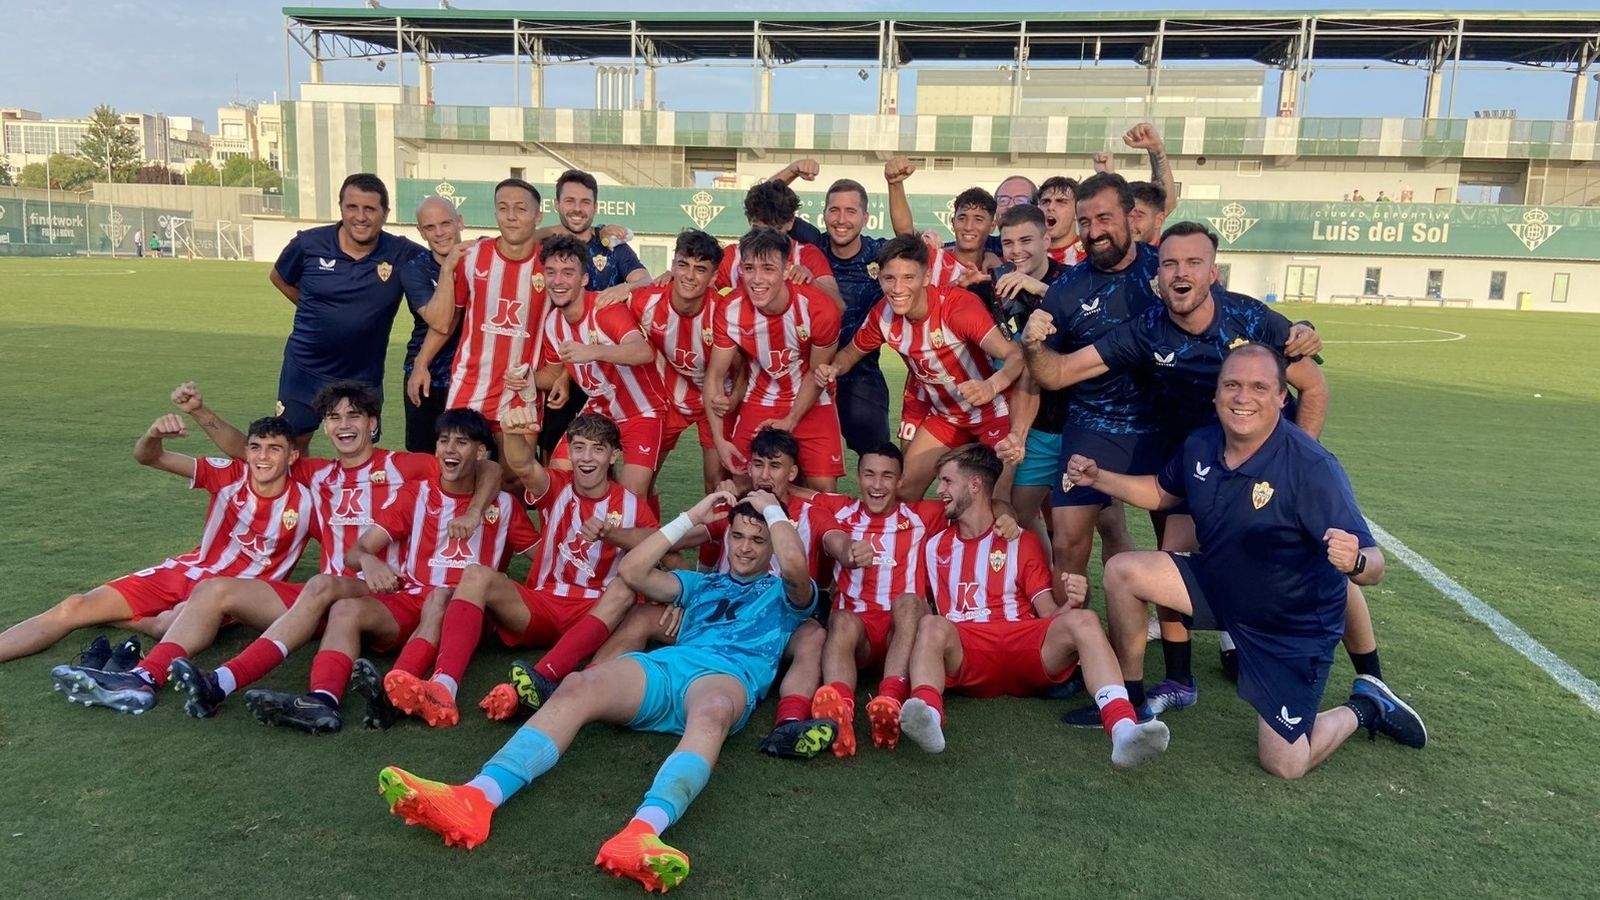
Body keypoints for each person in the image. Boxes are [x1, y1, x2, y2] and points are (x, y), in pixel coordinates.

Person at [374, 487, 816, 896]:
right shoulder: (703, 583)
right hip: (666, 670)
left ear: (773, 545)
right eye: (737, 536)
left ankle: (643, 831)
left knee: (714, 711)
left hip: (725, 678)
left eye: (758, 541)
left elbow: (795, 565)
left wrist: (773, 508)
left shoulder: (787, 594)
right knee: (578, 683)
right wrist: (691, 517)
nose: (743, 548)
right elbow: (633, 571)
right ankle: (477, 797)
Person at [1060, 344, 1425, 778]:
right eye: (1231, 385)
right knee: (1124, 571)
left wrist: (1355, 563)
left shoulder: (1310, 466)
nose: (1242, 397)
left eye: (1258, 387)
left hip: (1287, 624)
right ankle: (1133, 701)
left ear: (1280, 398)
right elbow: (1161, 492)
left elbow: (1375, 564)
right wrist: (1099, 477)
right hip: (1222, 585)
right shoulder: (1202, 443)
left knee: (1286, 764)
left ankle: (1367, 706)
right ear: (1216, 394)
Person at [1026, 221, 1341, 713]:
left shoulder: (1250, 319)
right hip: (1200, 459)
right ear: (1158, 274)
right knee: (1172, 556)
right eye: (1170, 263)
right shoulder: (1148, 328)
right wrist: (1034, 344)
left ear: (1212, 272)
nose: (1181, 272)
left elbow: (1314, 385)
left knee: (1321, 561)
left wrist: (1294, 464)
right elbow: (1061, 372)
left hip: (1268, 462)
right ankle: (1176, 680)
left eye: (1193, 263)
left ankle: (1370, 681)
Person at [158, 381, 501, 717]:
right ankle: (154, 675)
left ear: (373, 423)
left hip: (384, 595)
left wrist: (473, 513)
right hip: (319, 598)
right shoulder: (315, 473)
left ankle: (225, 680)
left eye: (354, 415)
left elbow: (486, 466)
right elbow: (247, 449)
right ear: (325, 427)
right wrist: (199, 411)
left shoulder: (407, 467)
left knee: (323, 585)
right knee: (216, 589)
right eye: (334, 418)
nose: (344, 425)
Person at [236, 408, 539, 734]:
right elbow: (358, 551)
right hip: (412, 599)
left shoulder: (504, 506)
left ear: (480, 452)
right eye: (443, 441)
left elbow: (542, 557)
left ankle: (392, 691)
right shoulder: (416, 494)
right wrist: (370, 560)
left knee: (439, 596)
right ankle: (323, 701)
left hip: (466, 613)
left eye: (461, 442)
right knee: (346, 608)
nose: (450, 449)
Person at [894, 444, 1170, 768]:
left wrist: (1073, 602)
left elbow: (1049, 613)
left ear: (974, 485)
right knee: (930, 624)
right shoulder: (933, 545)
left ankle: (1123, 727)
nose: (939, 490)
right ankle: (929, 716)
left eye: (946, 481)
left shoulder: (1021, 540)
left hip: (1024, 644)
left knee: (1083, 620)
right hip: (967, 647)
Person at [382, 410, 657, 727]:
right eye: (579, 447)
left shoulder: (632, 505)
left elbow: (661, 545)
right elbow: (523, 464)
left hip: (595, 610)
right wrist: (512, 431)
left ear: (613, 455)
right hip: (544, 604)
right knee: (476, 574)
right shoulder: (556, 487)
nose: (586, 457)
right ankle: (443, 687)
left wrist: (619, 537)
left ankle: (540, 681)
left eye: (597, 448)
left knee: (623, 591)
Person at [29, 414, 315, 711]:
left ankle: (138, 669)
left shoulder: (308, 501)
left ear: (292, 455)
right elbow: (149, 457)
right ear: (246, 451)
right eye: (255, 447)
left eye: (274, 449)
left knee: (172, 621)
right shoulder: (228, 473)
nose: (263, 456)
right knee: (74, 607)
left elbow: (339, 545)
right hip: (185, 569)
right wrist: (153, 435)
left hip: (233, 591)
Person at [1019, 173, 1164, 610]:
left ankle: (1206, 636)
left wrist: (1296, 331)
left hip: (1166, 424)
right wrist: (1033, 342)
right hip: (1092, 426)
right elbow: (1040, 371)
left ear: (1131, 216)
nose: (1094, 230)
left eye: (1104, 218)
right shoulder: (1068, 289)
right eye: (1085, 221)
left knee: (1184, 536)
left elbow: (1223, 319)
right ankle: (1068, 638)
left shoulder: (1165, 268)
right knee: (1067, 539)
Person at [816, 234, 1021, 501]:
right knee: (903, 491)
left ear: (925, 278)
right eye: (889, 278)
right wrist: (833, 369)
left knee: (995, 503)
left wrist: (991, 385)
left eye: (908, 278)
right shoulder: (883, 315)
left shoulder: (957, 307)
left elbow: (1015, 356)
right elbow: (850, 354)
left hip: (993, 411)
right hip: (947, 416)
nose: (897, 288)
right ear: (879, 278)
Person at [811, 443, 948, 756]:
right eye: (869, 474)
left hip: (901, 633)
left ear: (900, 481)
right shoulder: (840, 511)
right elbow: (798, 495)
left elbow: (979, 503)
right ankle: (840, 712)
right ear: (857, 477)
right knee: (842, 617)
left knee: (910, 602)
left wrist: (1006, 515)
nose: (877, 485)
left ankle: (890, 700)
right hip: (856, 639)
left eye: (887, 476)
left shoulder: (922, 515)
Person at [270, 173, 420, 451]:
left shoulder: (401, 252)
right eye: (352, 207)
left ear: (385, 214)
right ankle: (301, 497)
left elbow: (440, 255)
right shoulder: (309, 244)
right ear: (341, 207)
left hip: (362, 375)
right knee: (293, 446)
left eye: (370, 209)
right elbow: (279, 277)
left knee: (360, 453)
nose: (360, 216)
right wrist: (312, 308)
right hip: (305, 369)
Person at [524, 234, 674, 501]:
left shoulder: (603, 309)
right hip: (600, 409)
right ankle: (565, 540)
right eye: (551, 272)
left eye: (568, 273)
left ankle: (650, 539)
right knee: (559, 472)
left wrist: (592, 351)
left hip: (642, 411)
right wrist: (524, 378)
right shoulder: (552, 324)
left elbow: (642, 351)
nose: (558, 281)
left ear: (583, 279)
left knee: (631, 496)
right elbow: (552, 372)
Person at [706, 228, 845, 492]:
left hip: (814, 401)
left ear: (786, 270)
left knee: (822, 493)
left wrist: (791, 420)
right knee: (743, 483)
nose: (757, 279)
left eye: (768, 268)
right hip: (759, 399)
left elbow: (816, 373)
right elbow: (714, 376)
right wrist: (719, 441)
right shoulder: (730, 310)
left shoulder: (820, 308)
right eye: (749, 268)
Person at [624, 229, 732, 493]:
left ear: (713, 277)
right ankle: (646, 533)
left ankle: (718, 534)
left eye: (700, 269)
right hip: (667, 397)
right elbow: (607, 328)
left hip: (717, 399)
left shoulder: (724, 312)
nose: (689, 275)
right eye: (683, 265)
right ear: (672, 266)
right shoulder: (645, 301)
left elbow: (744, 368)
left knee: (716, 482)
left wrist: (734, 399)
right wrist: (624, 287)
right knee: (644, 479)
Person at [397, 197, 465, 451]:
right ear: (421, 232)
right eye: (430, 227)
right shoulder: (415, 270)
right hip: (427, 378)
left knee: (475, 458)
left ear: (460, 222)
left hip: (472, 379)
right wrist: (448, 269)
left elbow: (529, 237)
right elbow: (441, 321)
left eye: (446, 223)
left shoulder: (483, 258)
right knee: (424, 458)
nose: (439, 233)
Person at [713, 180, 841, 306]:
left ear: (791, 222)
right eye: (759, 230)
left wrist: (812, 282)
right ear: (748, 220)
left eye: (775, 231)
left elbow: (839, 306)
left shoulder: (807, 255)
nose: (767, 239)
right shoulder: (731, 257)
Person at [1038, 176, 1085, 266]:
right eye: (1046, 202)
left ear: (1077, 211)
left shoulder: (1091, 254)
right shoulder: (1028, 255)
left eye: (1061, 202)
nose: (1050, 207)